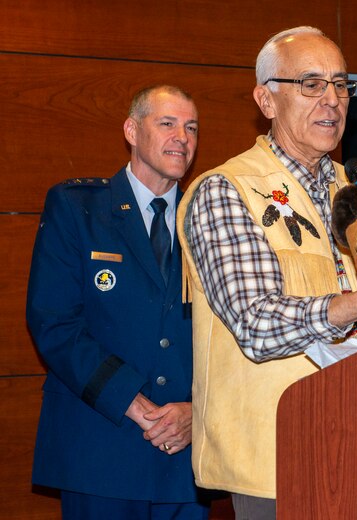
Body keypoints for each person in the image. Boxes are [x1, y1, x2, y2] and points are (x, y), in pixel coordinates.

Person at [176, 26, 357, 519]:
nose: (332, 100)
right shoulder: (225, 190)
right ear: (266, 100)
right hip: (276, 456)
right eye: (310, 84)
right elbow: (255, 323)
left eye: (341, 85)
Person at [26, 85, 208, 519]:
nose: (181, 137)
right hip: (100, 448)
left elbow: (230, 332)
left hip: (185, 455)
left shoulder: (207, 219)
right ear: (131, 129)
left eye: (192, 128)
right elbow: (54, 323)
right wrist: (131, 399)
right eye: (167, 123)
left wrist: (197, 410)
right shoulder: (79, 208)